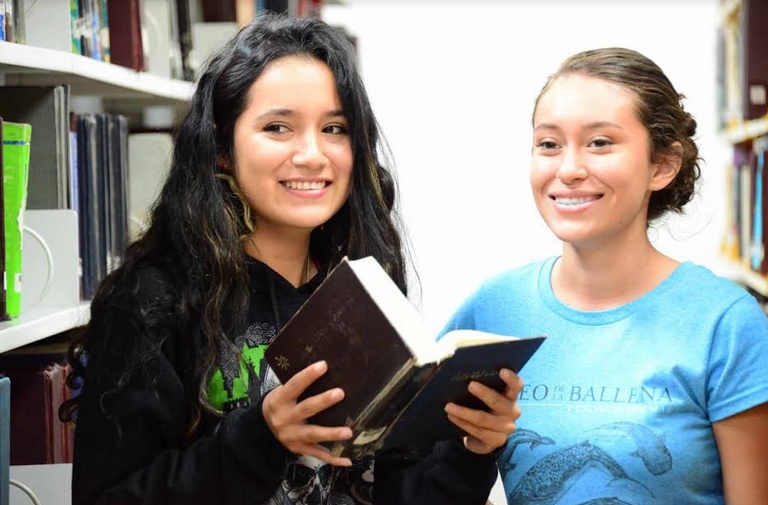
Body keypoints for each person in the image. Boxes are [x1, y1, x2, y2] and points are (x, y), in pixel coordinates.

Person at [60, 13, 523, 505]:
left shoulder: (362, 290)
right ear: (221, 148)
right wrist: (260, 437)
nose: (312, 154)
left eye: (334, 128)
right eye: (278, 127)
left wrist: (472, 451)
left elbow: (398, 491)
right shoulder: (151, 299)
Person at [440, 47, 768, 504]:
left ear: (662, 165)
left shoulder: (727, 323)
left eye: (599, 143)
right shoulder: (491, 309)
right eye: (549, 144)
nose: (569, 170)